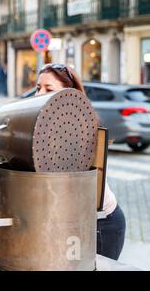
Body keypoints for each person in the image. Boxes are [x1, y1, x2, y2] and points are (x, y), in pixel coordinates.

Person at [36, 63, 126, 261]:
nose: (39, 94)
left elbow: (54, 182)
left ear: (69, 94)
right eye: (38, 88)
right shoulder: (46, 123)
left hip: (102, 225)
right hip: (75, 221)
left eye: (48, 89)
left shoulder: (75, 129)